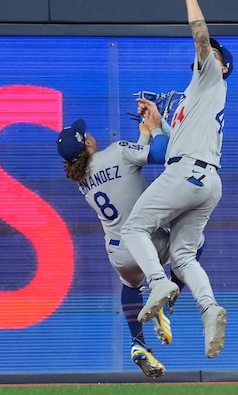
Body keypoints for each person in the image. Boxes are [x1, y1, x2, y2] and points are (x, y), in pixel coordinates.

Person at [121, 0, 233, 359]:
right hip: (207, 180)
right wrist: (156, 124)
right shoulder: (193, 97)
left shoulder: (212, 78)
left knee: (134, 226)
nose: (206, 53)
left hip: (187, 173)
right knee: (183, 256)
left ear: (222, 67)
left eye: (215, 54)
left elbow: (201, 36)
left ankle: (157, 281)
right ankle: (209, 308)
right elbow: (177, 140)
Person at [56, 100, 202, 378]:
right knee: (196, 243)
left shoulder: (81, 180)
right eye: (85, 135)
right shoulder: (117, 151)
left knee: (130, 285)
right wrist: (157, 128)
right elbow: (159, 155)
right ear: (86, 143)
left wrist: (144, 133)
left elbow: (126, 171)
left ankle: (138, 344)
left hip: (118, 253)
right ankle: (167, 298)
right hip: (146, 241)